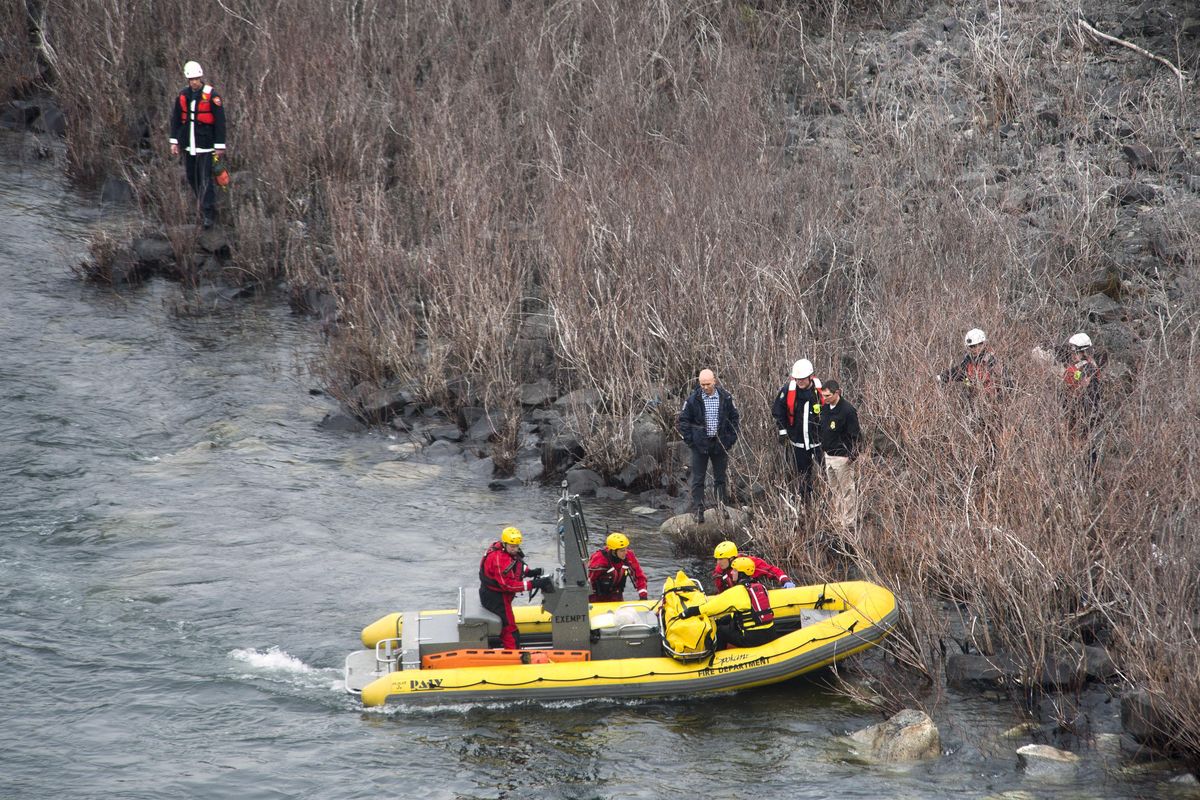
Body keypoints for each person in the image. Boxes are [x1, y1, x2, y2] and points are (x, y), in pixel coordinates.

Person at [677, 368, 741, 523]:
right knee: (698, 478)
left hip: (720, 443)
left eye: (707, 384)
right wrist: (691, 441)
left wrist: (730, 440)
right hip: (700, 444)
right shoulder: (693, 399)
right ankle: (698, 509)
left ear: (714, 381)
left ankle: (721, 506)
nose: (705, 387)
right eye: (702, 384)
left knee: (720, 478)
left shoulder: (725, 397)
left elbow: (735, 419)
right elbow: (683, 421)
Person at [169, 60, 227, 228]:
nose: (194, 81)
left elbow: (220, 122)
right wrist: (175, 142)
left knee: (205, 178)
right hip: (189, 145)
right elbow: (176, 120)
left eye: (196, 78)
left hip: (206, 144)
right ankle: (202, 206)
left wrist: (220, 145)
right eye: (191, 79)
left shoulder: (212, 95)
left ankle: (209, 214)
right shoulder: (183, 95)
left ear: (200, 77)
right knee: (191, 177)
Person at [680, 556, 777, 649]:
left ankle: (718, 658)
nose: (732, 573)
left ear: (741, 573)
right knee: (727, 622)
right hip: (770, 632)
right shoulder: (760, 587)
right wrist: (724, 619)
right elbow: (749, 610)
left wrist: (692, 611)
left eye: (735, 570)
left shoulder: (738, 591)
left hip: (753, 638)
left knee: (721, 631)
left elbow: (712, 607)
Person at [478, 526, 550, 650]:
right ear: (505, 544)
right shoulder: (499, 559)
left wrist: (530, 572)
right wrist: (534, 584)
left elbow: (516, 565)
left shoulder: (505, 550)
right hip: (495, 597)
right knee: (509, 628)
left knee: (509, 625)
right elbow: (507, 585)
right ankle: (514, 655)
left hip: (498, 594)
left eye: (517, 546)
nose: (516, 549)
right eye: (513, 547)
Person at [772, 358, 823, 501]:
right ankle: (806, 504)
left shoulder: (820, 391)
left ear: (810, 376)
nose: (799, 382)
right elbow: (778, 411)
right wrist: (783, 432)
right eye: (797, 379)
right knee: (803, 476)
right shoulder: (789, 391)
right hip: (798, 443)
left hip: (818, 442)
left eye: (802, 379)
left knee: (826, 474)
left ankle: (825, 503)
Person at [817, 380, 861, 529]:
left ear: (837, 393)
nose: (825, 398)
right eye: (823, 396)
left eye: (828, 396)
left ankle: (848, 523)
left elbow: (855, 435)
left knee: (847, 491)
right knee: (835, 491)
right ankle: (837, 519)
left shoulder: (848, 411)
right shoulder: (825, 409)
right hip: (828, 455)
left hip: (843, 457)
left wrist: (851, 456)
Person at [587, 532, 649, 602]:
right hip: (597, 598)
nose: (626, 552)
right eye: (622, 550)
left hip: (616, 595)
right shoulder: (599, 560)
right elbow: (589, 581)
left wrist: (643, 596)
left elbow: (639, 576)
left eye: (626, 549)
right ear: (613, 551)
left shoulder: (629, 556)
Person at [711, 540, 794, 593]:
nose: (718, 562)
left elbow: (771, 570)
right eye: (717, 559)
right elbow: (721, 590)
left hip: (752, 594)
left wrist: (785, 580)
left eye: (721, 559)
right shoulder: (719, 570)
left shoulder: (749, 563)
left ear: (731, 558)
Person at [938, 328, 1001, 394]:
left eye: (976, 346)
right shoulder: (968, 361)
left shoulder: (991, 361)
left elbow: (1000, 382)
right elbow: (958, 372)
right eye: (971, 346)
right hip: (974, 397)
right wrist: (940, 377)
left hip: (992, 399)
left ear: (983, 344)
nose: (973, 349)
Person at [1062, 332, 1102, 433]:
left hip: (1077, 413)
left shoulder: (1077, 370)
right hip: (1090, 413)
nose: (1073, 355)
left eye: (1076, 353)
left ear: (1083, 352)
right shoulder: (1093, 366)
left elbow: (1069, 384)